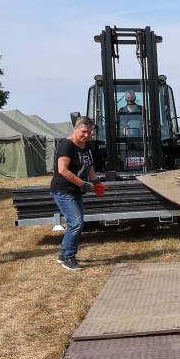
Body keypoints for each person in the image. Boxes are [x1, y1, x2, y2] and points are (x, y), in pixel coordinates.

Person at [51, 116, 106, 271]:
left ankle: (63, 254)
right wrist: (82, 184)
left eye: (90, 132)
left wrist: (96, 183)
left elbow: (89, 166)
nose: (87, 135)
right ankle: (69, 258)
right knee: (76, 223)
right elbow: (63, 170)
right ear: (75, 128)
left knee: (76, 222)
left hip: (75, 190)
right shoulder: (66, 145)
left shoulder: (86, 146)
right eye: (84, 132)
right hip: (63, 190)